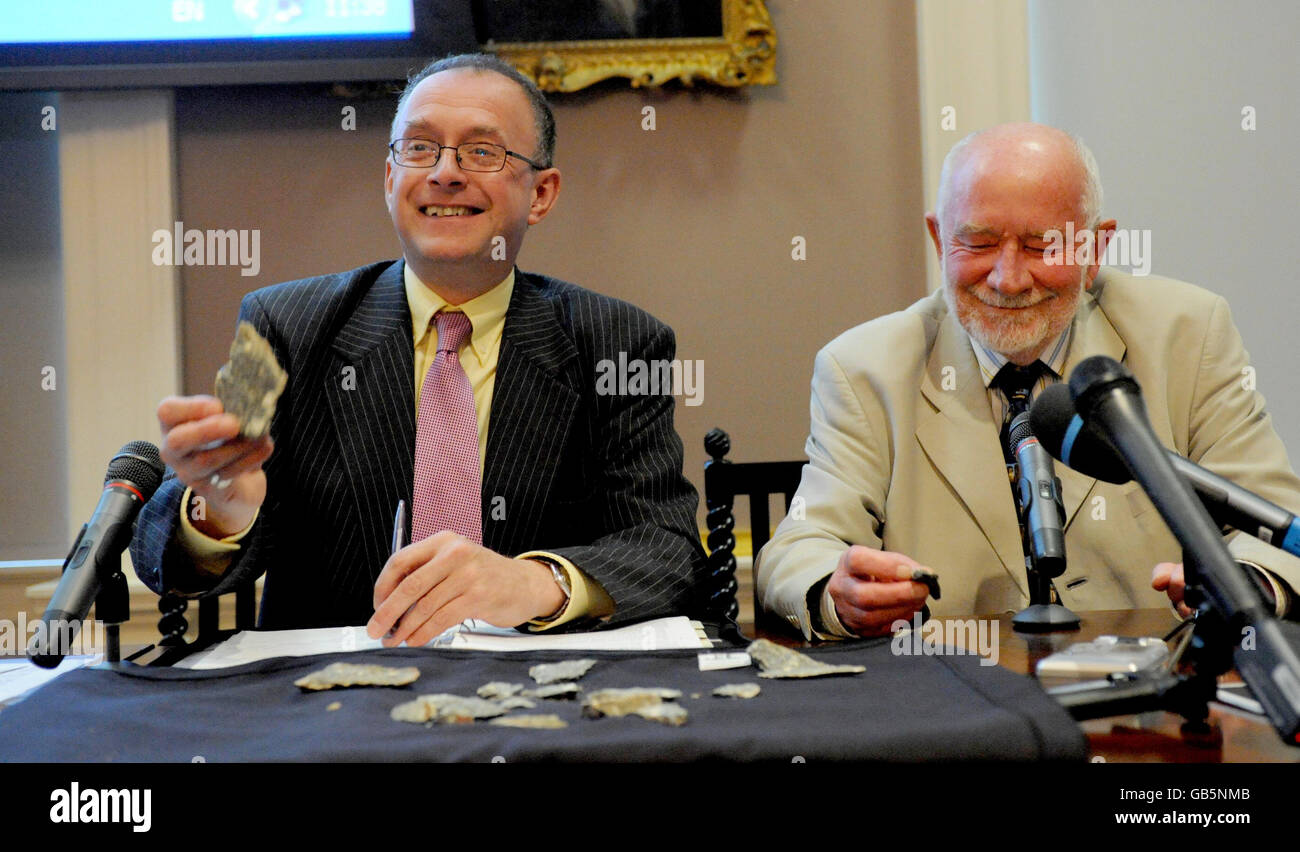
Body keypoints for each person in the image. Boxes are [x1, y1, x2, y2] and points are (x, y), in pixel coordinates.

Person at [131, 53, 707, 645]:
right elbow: (167, 565)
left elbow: (665, 550)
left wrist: (532, 584)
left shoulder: (617, 343)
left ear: (541, 193)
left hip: (542, 697)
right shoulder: (288, 327)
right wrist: (223, 511)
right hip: (338, 703)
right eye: (420, 148)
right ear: (390, 180)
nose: (445, 174)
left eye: (482, 152)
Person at [756, 122, 1300, 639]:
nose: (1008, 279)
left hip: (1153, 691)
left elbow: (1274, 522)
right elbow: (799, 546)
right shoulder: (863, 366)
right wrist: (837, 589)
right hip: (961, 701)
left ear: (1095, 250)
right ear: (939, 239)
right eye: (979, 243)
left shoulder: (1188, 333)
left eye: (1043, 246)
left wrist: (1243, 584)